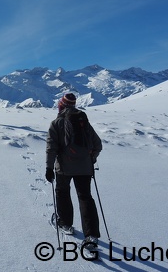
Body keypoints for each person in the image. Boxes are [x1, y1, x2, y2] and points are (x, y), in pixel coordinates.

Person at [45, 93, 103, 247]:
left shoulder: (56, 123)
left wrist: (49, 168)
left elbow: (51, 148)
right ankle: (91, 235)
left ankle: (65, 224)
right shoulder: (84, 123)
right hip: (85, 168)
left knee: (63, 193)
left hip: (64, 167)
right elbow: (98, 145)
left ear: (61, 106)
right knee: (85, 197)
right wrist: (91, 159)